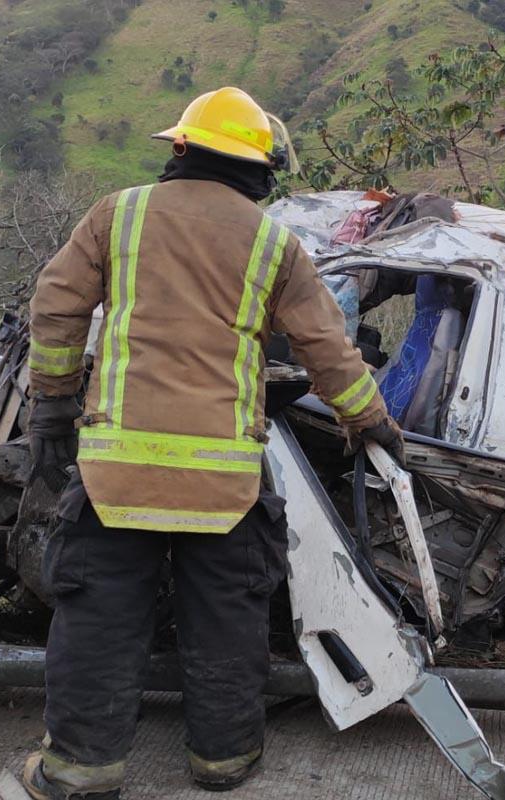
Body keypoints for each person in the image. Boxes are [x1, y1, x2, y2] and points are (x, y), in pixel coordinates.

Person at [21, 87, 403, 799]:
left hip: (118, 476)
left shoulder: (119, 213)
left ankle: (79, 772)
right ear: (260, 170)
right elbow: (327, 348)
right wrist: (371, 422)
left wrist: (52, 409)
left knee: (100, 618)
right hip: (223, 483)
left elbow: (57, 305)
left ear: (181, 148)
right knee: (227, 618)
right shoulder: (273, 242)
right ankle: (223, 765)